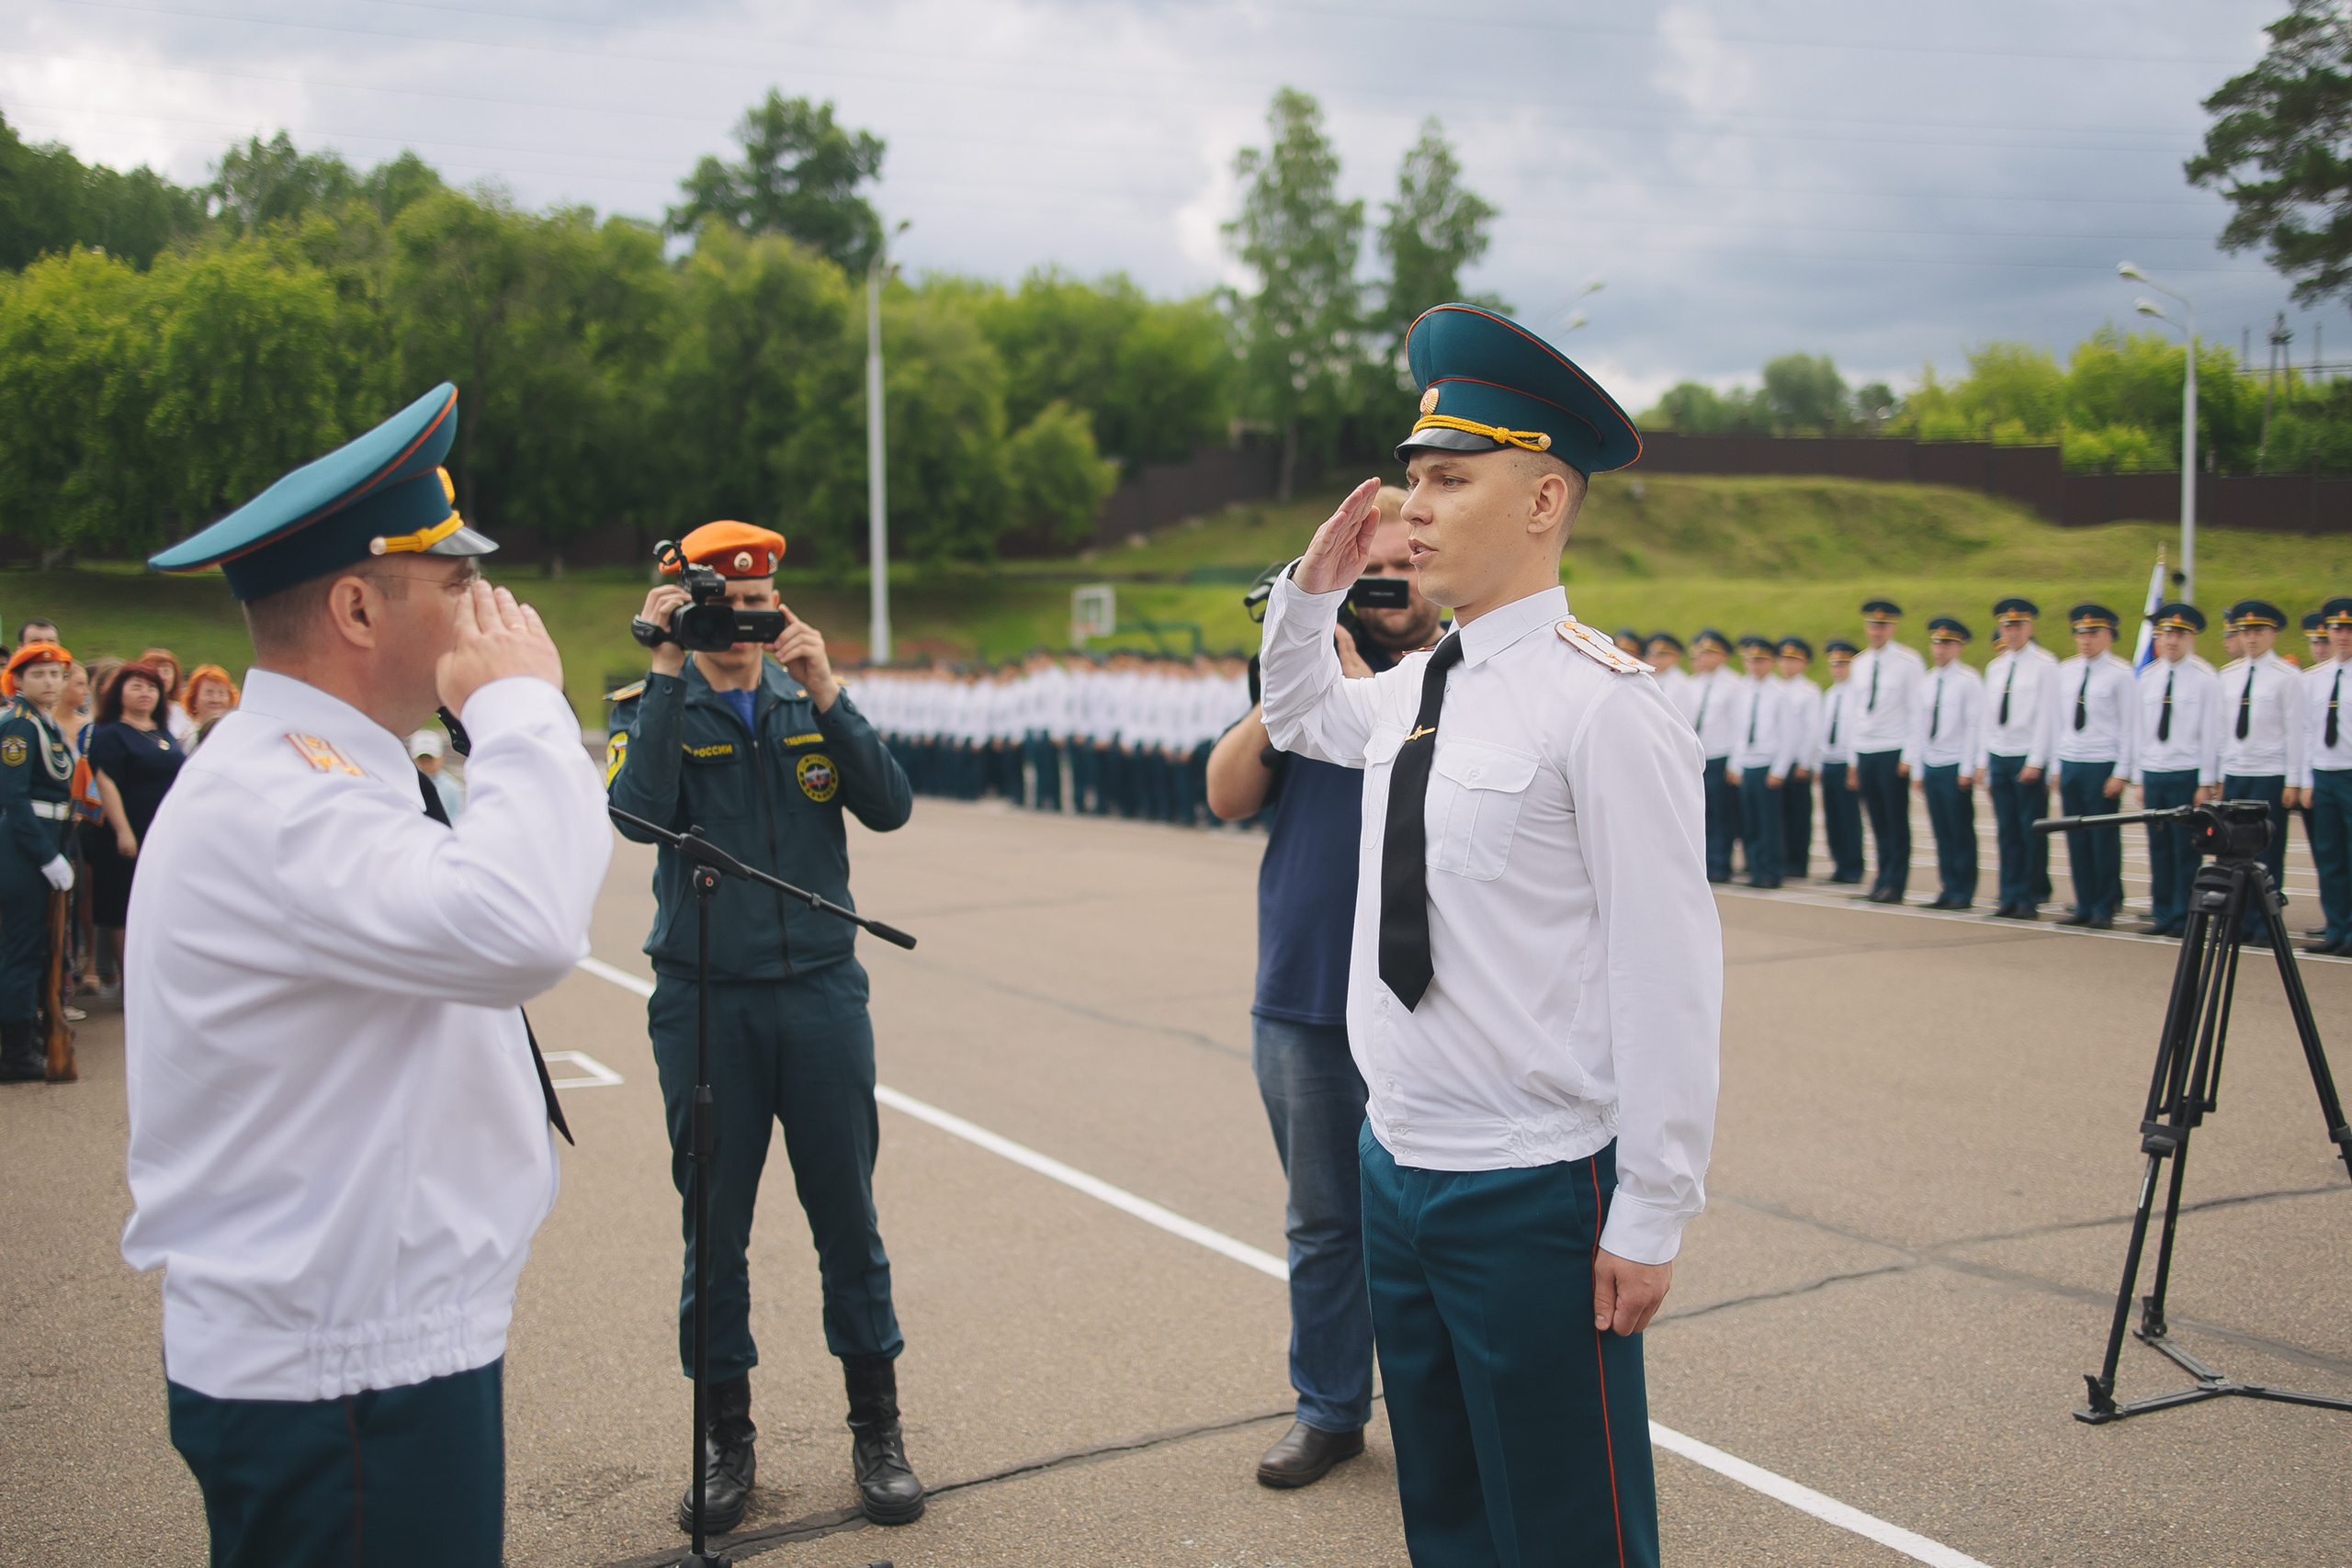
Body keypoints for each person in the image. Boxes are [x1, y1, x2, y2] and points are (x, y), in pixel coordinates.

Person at [1259, 303, 1719, 1568]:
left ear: (1542, 499)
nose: (1414, 503)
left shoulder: (1604, 708)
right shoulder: (1413, 691)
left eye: (1448, 478)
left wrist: (1653, 1208)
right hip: (1397, 1161)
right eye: (1410, 477)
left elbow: (1671, 975)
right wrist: (1315, 589)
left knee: (1569, 1522)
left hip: (1533, 1187)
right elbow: (1298, 714)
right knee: (1449, 1514)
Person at [121, 381, 608, 1566]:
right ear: (353, 604)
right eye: (454, 585)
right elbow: (524, 927)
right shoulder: (288, 795)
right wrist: (522, 709)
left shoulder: (323, 767)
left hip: (369, 1342)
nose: (485, 609)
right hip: (345, 1372)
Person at [606, 519, 922, 1534]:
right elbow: (638, 813)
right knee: (716, 1232)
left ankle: (877, 1430)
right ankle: (723, 1439)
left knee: (848, 1222)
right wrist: (661, 669)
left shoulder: (804, 698)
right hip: (706, 1001)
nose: (741, 626)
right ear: (683, 607)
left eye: (758, 606)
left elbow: (889, 807)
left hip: (821, 994)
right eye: (720, 609)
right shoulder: (655, 702)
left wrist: (827, 687)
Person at [1204, 484, 1436, 1490]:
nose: (1387, 581)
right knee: (1323, 1221)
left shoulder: (1454, 677)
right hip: (1304, 995)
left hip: (1425, 1000)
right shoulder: (1302, 682)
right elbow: (1225, 794)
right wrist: (1296, 681)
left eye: (1404, 564)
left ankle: (1440, 1417)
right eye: (1367, 565)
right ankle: (1331, 1409)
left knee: (1433, 1223)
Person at [0, 641, 80, 1081]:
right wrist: (48, 856)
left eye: (56, 674)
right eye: (39, 674)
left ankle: (27, 1030)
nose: (50, 682)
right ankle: (13, 1053)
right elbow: (14, 797)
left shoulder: (46, 726)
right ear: (18, 681)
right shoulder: (20, 726)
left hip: (48, 842)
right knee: (22, 950)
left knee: (41, 949)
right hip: (24, 848)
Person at [85, 661, 185, 985]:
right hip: (128, 831)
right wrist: (124, 831)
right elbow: (106, 781)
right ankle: (132, 984)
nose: (146, 693)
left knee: (159, 906)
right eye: (136, 686)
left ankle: (157, 979)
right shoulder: (111, 734)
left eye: (152, 687)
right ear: (119, 694)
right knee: (124, 909)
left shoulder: (163, 734)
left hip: (162, 832)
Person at [2216, 600, 2304, 946]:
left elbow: (2296, 731)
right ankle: (2237, 920)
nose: (2251, 638)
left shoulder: (2287, 677)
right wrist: (2219, 774)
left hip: (2270, 772)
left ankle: (2265, 922)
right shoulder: (2228, 675)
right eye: (2246, 631)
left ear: (2273, 634)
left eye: (2259, 632)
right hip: (2237, 770)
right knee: (2232, 850)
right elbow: (2222, 730)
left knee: (2267, 849)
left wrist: (2294, 779)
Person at [2131, 603, 2219, 938]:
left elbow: (2211, 732)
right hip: (2155, 772)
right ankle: (2162, 913)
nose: (2171, 640)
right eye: (2166, 633)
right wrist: (2139, 777)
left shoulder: (2205, 678)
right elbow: (2140, 731)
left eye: (2179, 634)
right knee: (2158, 847)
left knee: (2186, 851)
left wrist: (2205, 781)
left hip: (2186, 772)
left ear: (2191, 638)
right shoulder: (2148, 677)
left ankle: (2185, 916)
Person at [2048, 604, 2136, 929]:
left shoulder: (2121, 673)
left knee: (2102, 840)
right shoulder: (2066, 670)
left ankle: (2104, 904)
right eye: (2081, 633)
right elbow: (2059, 722)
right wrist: (2056, 765)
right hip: (2072, 761)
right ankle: (2084, 903)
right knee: (2076, 838)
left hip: (2102, 763)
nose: (2085, 640)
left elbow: (2130, 725)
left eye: (2093, 633)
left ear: (2109, 635)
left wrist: (2122, 771)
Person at [1980, 598, 2057, 920]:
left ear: (2029, 627)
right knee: (2006, 831)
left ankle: (2028, 896)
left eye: (2017, 626)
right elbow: (1988, 718)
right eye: (2006, 626)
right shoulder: (1995, 667)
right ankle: (2008, 894)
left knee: (2029, 832)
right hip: (2000, 755)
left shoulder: (2045, 664)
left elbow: (2047, 717)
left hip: (2026, 757)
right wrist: (1984, 762)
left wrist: (2036, 761)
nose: (2011, 632)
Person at [1848, 600, 1923, 904]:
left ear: (1892, 628)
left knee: (1895, 820)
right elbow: (1855, 713)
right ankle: (1881, 878)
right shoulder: (1860, 663)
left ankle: (1896, 881)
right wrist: (1853, 758)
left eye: (1882, 625)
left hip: (1893, 748)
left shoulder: (1909, 661)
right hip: (1866, 748)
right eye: (1872, 625)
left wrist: (1909, 756)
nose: (1876, 631)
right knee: (1875, 820)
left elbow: (1917, 711)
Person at [1910, 617, 1984, 910]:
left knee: (1959, 830)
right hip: (1932, 763)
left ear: (1959, 647)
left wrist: (1968, 768)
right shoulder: (1926, 682)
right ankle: (1947, 886)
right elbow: (1918, 727)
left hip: (1955, 764)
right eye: (1936, 643)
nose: (1940, 649)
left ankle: (1963, 890)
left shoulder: (1969, 681)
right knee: (1941, 830)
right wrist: (1917, 768)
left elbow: (1974, 726)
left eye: (1947, 644)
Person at [2299, 597, 2352, 953]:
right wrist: (2305, 780)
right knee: (2330, 856)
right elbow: (2305, 732)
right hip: (2324, 774)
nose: (2342, 635)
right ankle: (2336, 928)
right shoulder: (2314, 679)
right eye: (2336, 628)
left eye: (2349, 629)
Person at [1725, 635, 1794, 888]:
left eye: (1761, 660)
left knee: (1769, 823)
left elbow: (1788, 735)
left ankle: (1771, 871)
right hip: (1747, 764)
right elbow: (1737, 731)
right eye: (1751, 660)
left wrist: (1779, 769)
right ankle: (1755, 868)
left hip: (1767, 764)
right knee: (1750, 823)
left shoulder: (1780, 693)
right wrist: (1735, 764)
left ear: (1771, 662)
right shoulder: (1743, 691)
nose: (1755, 666)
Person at [1686, 629, 1740, 881]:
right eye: (1702, 652)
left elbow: (1738, 725)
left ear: (1723, 655)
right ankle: (1704, 863)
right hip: (1698, 758)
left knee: (1721, 815)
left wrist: (1735, 763)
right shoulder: (1694, 684)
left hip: (1721, 755)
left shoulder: (1733, 685)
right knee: (1699, 814)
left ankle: (1721, 864)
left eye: (1710, 652)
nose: (1704, 657)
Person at [1817, 639, 1867, 884]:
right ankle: (1839, 864)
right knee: (1833, 816)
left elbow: (1856, 730)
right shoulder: (1831, 693)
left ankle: (1853, 865)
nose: (1837, 669)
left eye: (1843, 664)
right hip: (1829, 760)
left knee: (1849, 817)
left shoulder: (1858, 693)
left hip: (1847, 761)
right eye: (1834, 664)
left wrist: (1853, 764)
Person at [1776, 637, 1821, 880]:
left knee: (1799, 816)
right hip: (1778, 762)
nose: (1787, 665)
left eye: (1794, 660)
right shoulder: (1776, 689)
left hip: (1797, 763)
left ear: (1805, 663)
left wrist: (1805, 762)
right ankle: (1784, 859)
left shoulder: (1809, 691)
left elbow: (1811, 730)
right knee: (1780, 815)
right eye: (1784, 659)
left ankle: (1798, 862)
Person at [139, 647, 198, 746]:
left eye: (166, 671)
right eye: (155, 671)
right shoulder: (137, 710)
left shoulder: (180, 710)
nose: (162, 677)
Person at [411, 728, 465, 819]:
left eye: (430, 758)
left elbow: (457, 817)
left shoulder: (452, 787)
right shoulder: (409, 785)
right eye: (422, 759)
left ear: (441, 757)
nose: (427, 763)